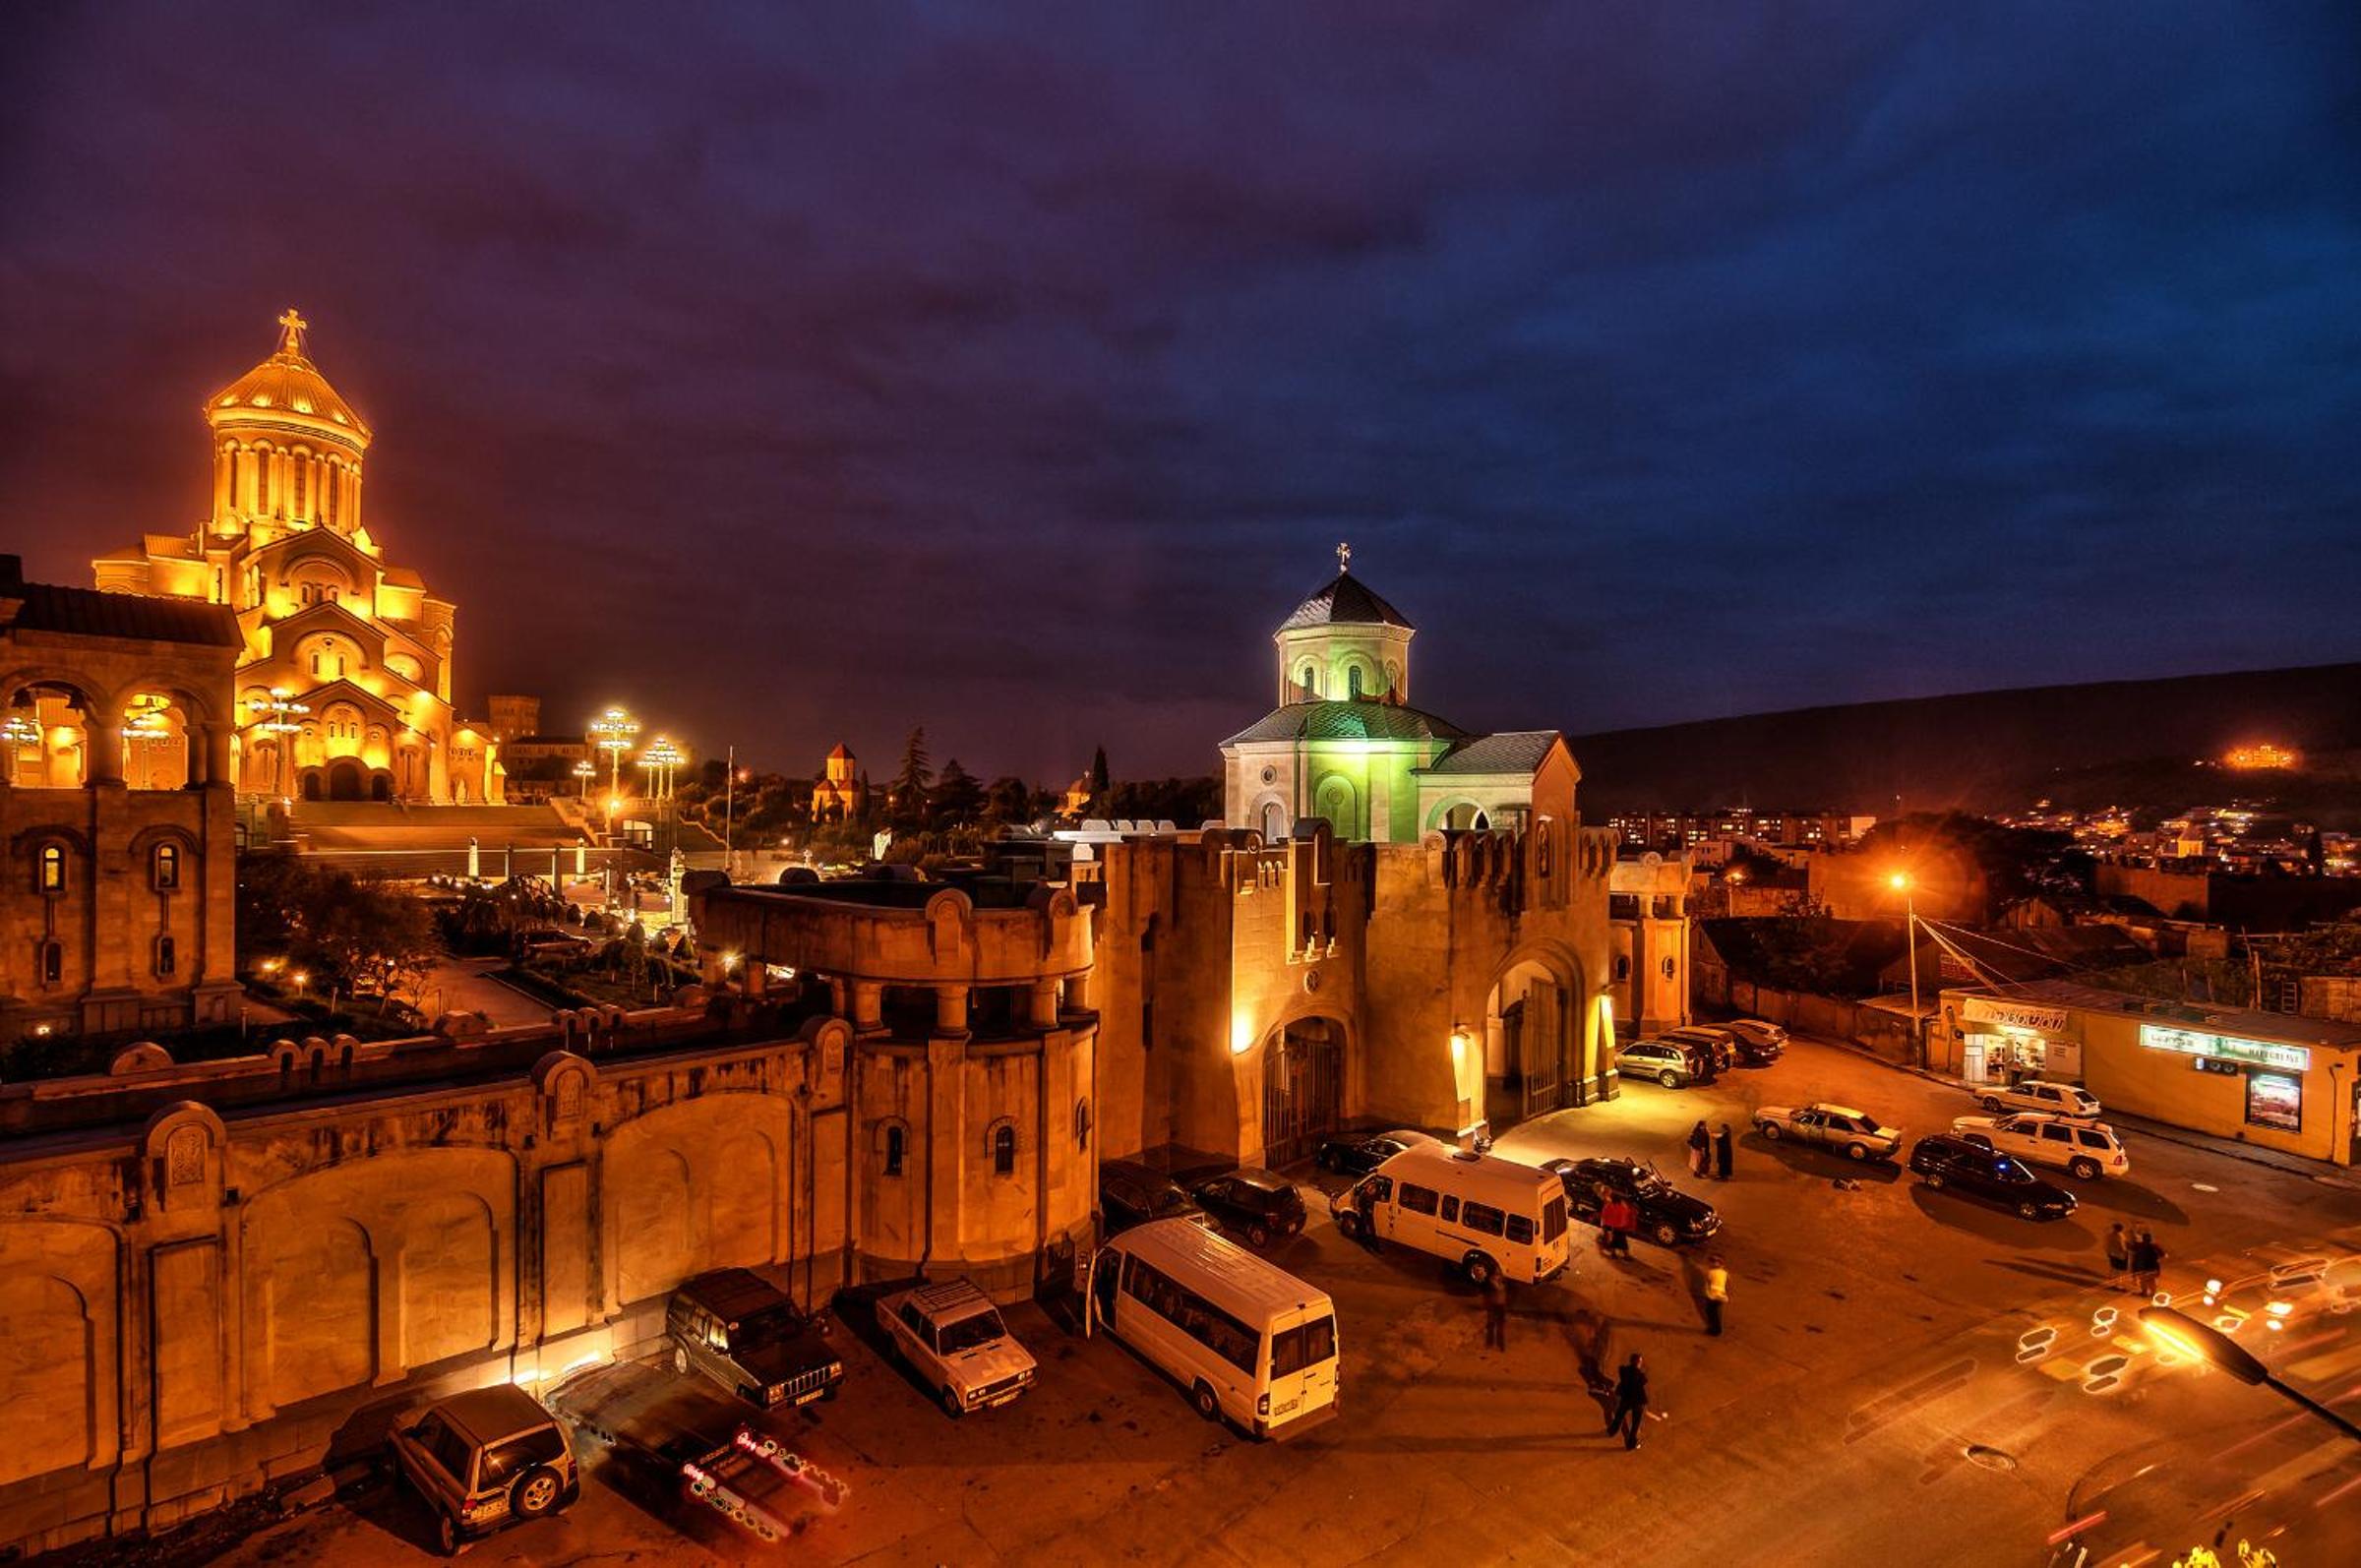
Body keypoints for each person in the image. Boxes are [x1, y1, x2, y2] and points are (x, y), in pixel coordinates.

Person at [1605, 1353, 1650, 1449]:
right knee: (1635, 1424)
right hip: (1638, 1400)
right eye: (1640, 1362)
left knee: (1620, 1415)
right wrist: (1642, 1374)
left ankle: (1611, 1431)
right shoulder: (1638, 1374)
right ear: (1637, 1362)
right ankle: (1631, 1443)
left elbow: (1623, 1383)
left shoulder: (1625, 1372)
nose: (1640, 1364)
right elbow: (1643, 1381)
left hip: (1627, 1398)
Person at [2130, 1229, 2164, 1298]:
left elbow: (2133, 1252)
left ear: (2143, 1239)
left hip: (2142, 1267)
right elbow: (2162, 1254)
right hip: (2153, 1267)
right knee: (2151, 1281)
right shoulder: (2155, 1246)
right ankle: (2153, 1294)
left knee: (2143, 1281)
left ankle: (2144, 1292)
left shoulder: (2139, 1246)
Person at [1600, 1191, 1635, 1257]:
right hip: (1622, 1226)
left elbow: (1604, 1215)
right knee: (1622, 1241)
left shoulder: (1610, 1206)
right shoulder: (1622, 1206)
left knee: (1616, 1240)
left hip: (1615, 1226)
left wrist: (1604, 1224)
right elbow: (1628, 1214)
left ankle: (1615, 1254)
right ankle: (1625, 1255)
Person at [1703, 1255, 1729, 1336]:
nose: (1710, 1264)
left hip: (1713, 1296)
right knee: (1716, 1314)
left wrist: (1707, 1294)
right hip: (1722, 1296)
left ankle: (1716, 1330)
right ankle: (1716, 1329)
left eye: (1712, 1262)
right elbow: (1727, 1285)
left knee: (1711, 1313)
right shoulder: (1725, 1273)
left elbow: (1708, 1283)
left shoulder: (1711, 1272)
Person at [1483, 1272, 1510, 1351]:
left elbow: (1499, 1288)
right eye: (1496, 1275)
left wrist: (1493, 1281)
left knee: (1500, 1326)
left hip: (1500, 1306)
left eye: (1498, 1275)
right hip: (1493, 1306)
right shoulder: (1491, 1284)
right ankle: (1490, 1344)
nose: (1497, 1277)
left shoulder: (1502, 1283)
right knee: (1491, 1325)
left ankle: (1500, 1345)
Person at [2103, 1223, 2130, 1292]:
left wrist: (2108, 1252)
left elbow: (2106, 1245)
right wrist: (2126, 1252)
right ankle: (2117, 1285)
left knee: (2113, 1268)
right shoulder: (2120, 1236)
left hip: (2112, 1254)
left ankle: (2110, 1281)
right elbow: (2123, 1248)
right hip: (2119, 1255)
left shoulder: (2109, 1235)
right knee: (2118, 1271)